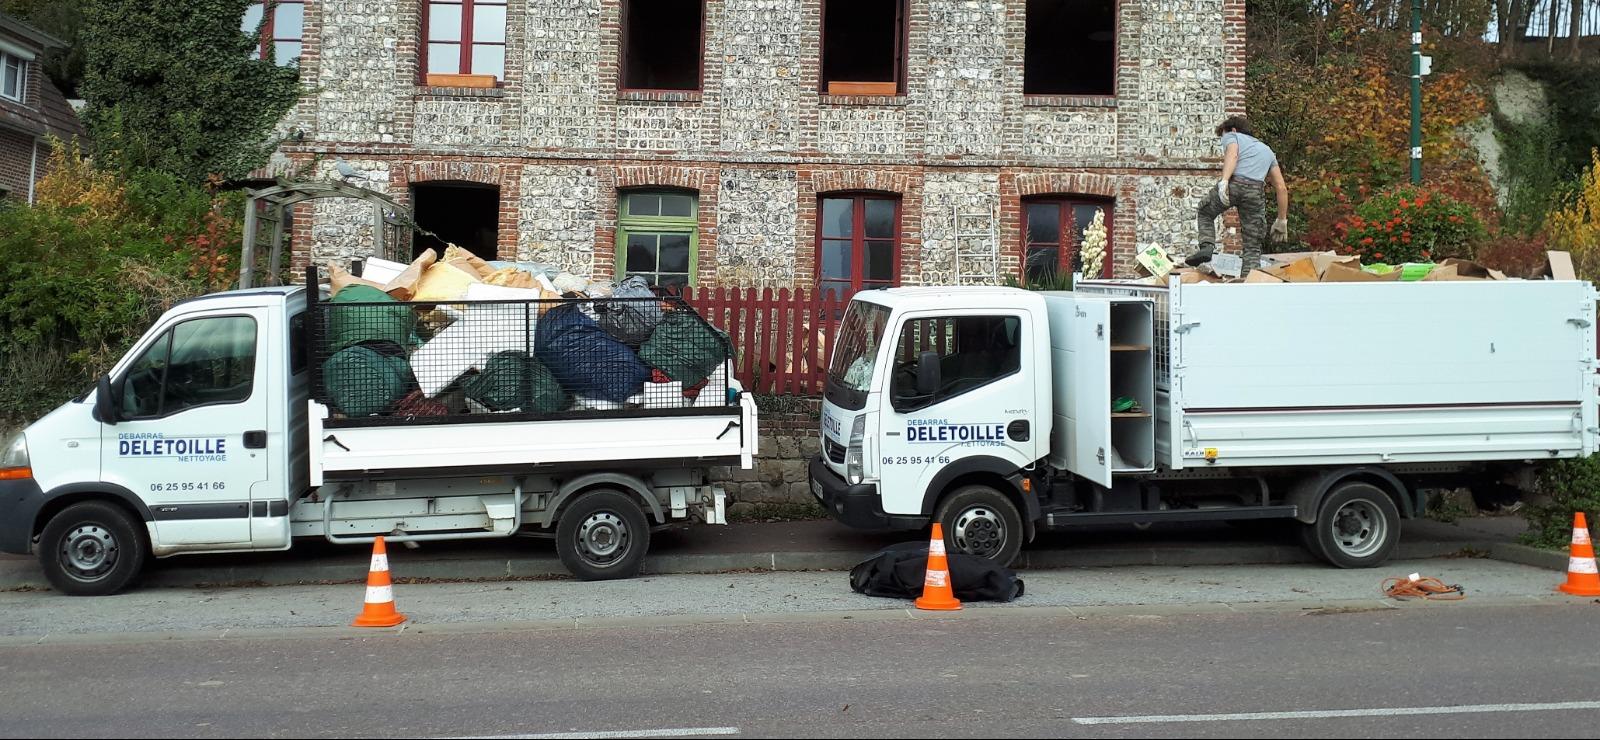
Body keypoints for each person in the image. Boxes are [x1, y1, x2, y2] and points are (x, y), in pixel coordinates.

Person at [1187, 115, 1290, 275]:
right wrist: (1282, 219)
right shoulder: (1267, 150)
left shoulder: (1232, 135)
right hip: (1255, 192)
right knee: (1252, 245)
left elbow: (1233, 154)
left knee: (1205, 212)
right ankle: (1249, 286)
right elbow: (1281, 187)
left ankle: (1207, 247)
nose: (1224, 141)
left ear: (1233, 129)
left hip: (1234, 184)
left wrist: (1224, 181)